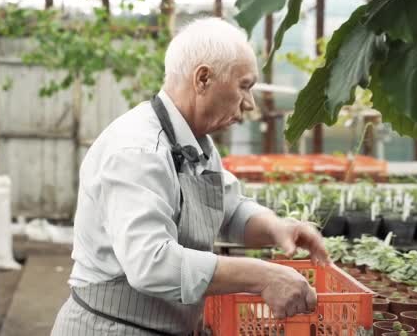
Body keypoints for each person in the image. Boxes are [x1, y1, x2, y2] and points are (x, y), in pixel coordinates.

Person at [51, 17, 330, 336]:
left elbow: (230, 209)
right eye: (244, 86)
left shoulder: (195, 142)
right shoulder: (138, 151)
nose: (250, 103)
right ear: (203, 79)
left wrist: (276, 227)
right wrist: (264, 276)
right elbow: (151, 264)